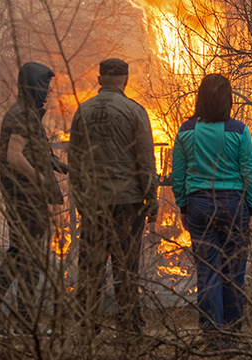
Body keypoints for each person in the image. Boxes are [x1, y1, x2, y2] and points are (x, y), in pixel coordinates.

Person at [68, 58, 158, 334]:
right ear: (126, 79)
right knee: (126, 265)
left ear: (99, 79)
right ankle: (129, 325)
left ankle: (86, 323)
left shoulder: (82, 112)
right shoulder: (134, 111)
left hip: (94, 202)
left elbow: (75, 161)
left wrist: (82, 199)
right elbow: (144, 158)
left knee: (91, 266)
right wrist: (151, 196)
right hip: (127, 203)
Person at [171, 74, 252, 348]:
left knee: (208, 271)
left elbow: (178, 174)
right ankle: (233, 335)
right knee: (233, 272)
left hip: (199, 205)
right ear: (228, 99)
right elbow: (250, 173)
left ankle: (213, 338)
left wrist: (184, 206)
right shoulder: (239, 130)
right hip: (233, 205)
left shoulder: (186, 130)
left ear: (200, 97)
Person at [0, 62, 66, 336]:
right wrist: (39, 178)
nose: (48, 93)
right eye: (45, 87)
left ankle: (25, 322)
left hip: (26, 196)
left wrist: (51, 162)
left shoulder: (26, 114)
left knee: (27, 257)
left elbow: (25, 150)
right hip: (24, 196)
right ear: (34, 86)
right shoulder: (22, 114)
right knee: (21, 254)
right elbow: (13, 156)